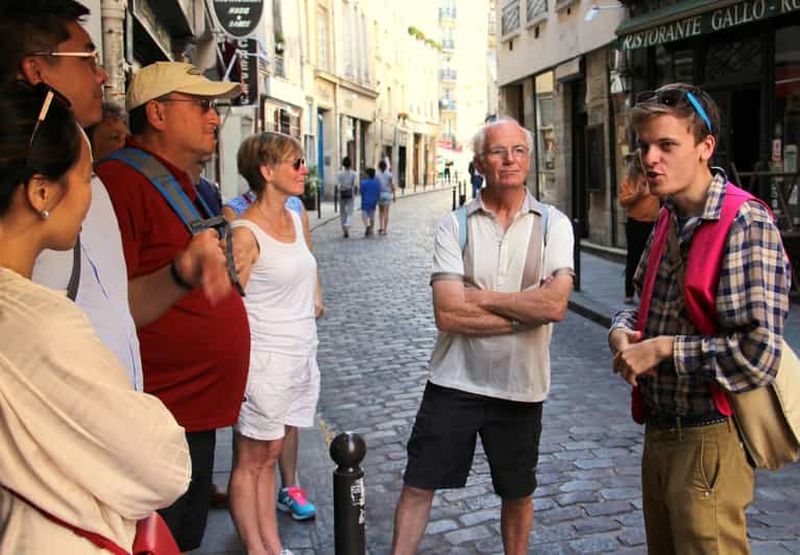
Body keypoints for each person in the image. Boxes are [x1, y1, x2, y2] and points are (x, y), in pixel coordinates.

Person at [0, 81, 190, 554]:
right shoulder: (41, 324)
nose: (91, 195)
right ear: (42, 191)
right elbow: (163, 466)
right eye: (88, 177)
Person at [608, 83, 791, 554]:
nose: (651, 159)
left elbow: (758, 353)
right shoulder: (669, 215)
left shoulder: (744, 223)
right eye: (644, 146)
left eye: (667, 145)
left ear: (704, 147)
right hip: (661, 432)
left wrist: (665, 348)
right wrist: (621, 330)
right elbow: (640, 303)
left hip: (711, 436)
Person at [391, 118, 575, 555]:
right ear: (479, 163)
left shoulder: (554, 225)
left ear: (529, 160)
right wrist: (522, 311)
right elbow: (448, 313)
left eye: (518, 150)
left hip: (521, 386)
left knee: (517, 492)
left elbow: (554, 306)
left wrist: (482, 297)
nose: (509, 160)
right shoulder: (453, 225)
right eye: (498, 151)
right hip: (455, 381)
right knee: (418, 484)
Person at [95, 61, 249, 552]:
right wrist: (185, 270)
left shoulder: (188, 184)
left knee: (184, 537)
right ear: (157, 114)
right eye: (201, 105)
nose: (214, 118)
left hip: (193, 417)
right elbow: (109, 309)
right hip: (161, 418)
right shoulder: (118, 185)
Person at [2, 0, 143, 391]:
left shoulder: (83, 159)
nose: (101, 75)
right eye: (86, 59)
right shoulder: (26, 180)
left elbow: (115, 305)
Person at [228, 132, 322, 554]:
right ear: (267, 171)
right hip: (264, 360)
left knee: (271, 456)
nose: (304, 170)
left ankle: (271, 543)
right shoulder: (244, 231)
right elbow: (230, 306)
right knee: (252, 462)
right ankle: (255, 546)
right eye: (295, 163)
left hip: (299, 355)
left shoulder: (295, 217)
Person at [618, 150, 659, 304]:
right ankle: (629, 293)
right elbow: (623, 201)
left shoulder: (654, 175)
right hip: (636, 223)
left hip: (653, 223)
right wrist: (639, 195)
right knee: (634, 259)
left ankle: (647, 293)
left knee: (652, 260)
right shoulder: (630, 179)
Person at [337, 156, 357, 238]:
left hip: (341, 193)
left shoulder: (339, 173)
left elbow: (337, 185)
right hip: (350, 193)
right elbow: (355, 185)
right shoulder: (354, 173)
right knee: (350, 211)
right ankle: (347, 224)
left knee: (342, 213)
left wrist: (339, 191)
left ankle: (344, 230)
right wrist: (354, 192)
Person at [376, 158, 395, 234]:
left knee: (380, 212)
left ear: (379, 166)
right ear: (386, 166)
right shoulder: (389, 174)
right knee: (386, 213)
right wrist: (394, 195)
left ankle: (380, 227)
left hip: (380, 194)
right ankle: (385, 230)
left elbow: (376, 185)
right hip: (387, 194)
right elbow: (392, 185)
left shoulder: (377, 175)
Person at [360, 167, 380, 236]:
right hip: (373, 201)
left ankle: (367, 226)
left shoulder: (363, 183)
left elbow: (361, 192)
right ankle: (372, 228)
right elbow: (378, 192)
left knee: (364, 216)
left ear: (368, 175)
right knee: (372, 216)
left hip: (365, 201)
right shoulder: (377, 183)